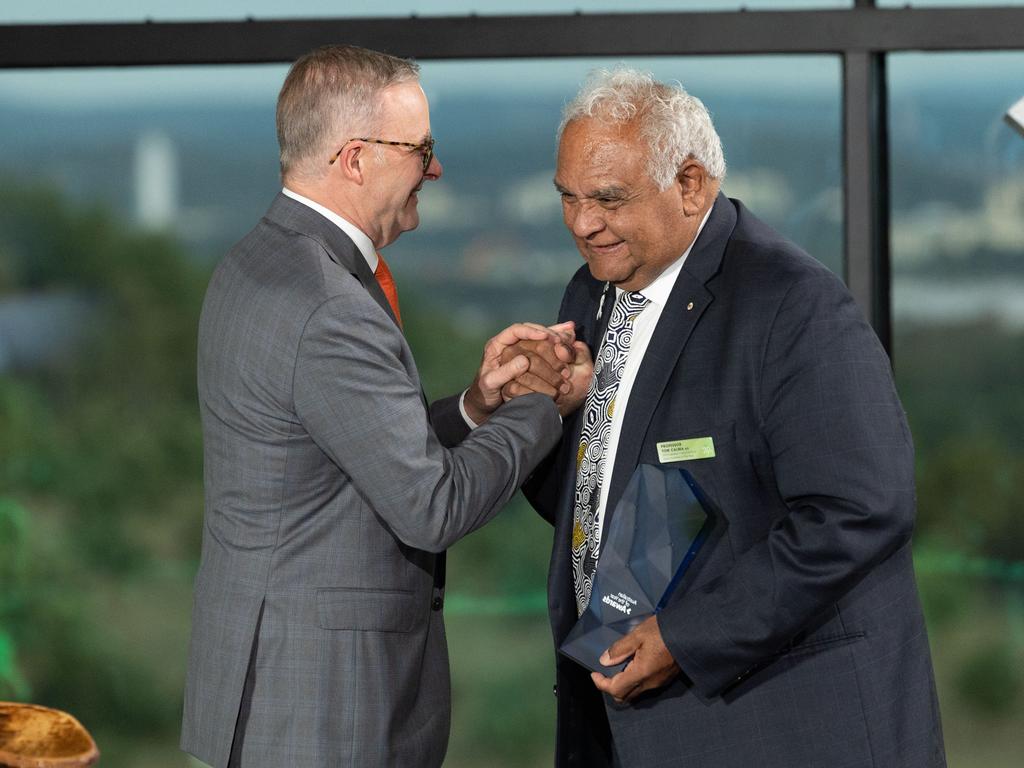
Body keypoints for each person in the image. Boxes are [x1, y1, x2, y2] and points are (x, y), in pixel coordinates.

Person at [512, 68, 947, 767]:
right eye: (568, 197)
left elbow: (861, 509)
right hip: (624, 721)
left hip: (782, 726)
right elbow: (600, 499)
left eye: (607, 199)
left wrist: (686, 638)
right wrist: (547, 419)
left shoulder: (795, 307)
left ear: (690, 186)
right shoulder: (592, 292)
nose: (582, 224)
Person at [180, 45, 579, 768]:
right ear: (355, 159)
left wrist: (477, 407)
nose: (436, 168)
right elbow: (433, 507)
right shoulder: (330, 303)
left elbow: (341, 453)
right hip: (325, 708)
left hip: (273, 686)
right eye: (421, 148)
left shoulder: (255, 263)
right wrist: (541, 404)